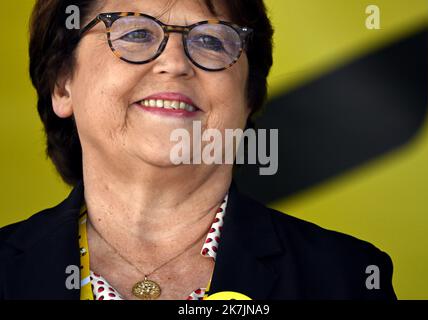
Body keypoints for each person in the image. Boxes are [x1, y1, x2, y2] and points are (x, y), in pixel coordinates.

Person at [0, 0, 396, 300]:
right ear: (62, 85)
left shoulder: (346, 278)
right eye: (136, 33)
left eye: (210, 40)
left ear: (247, 97)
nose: (175, 62)